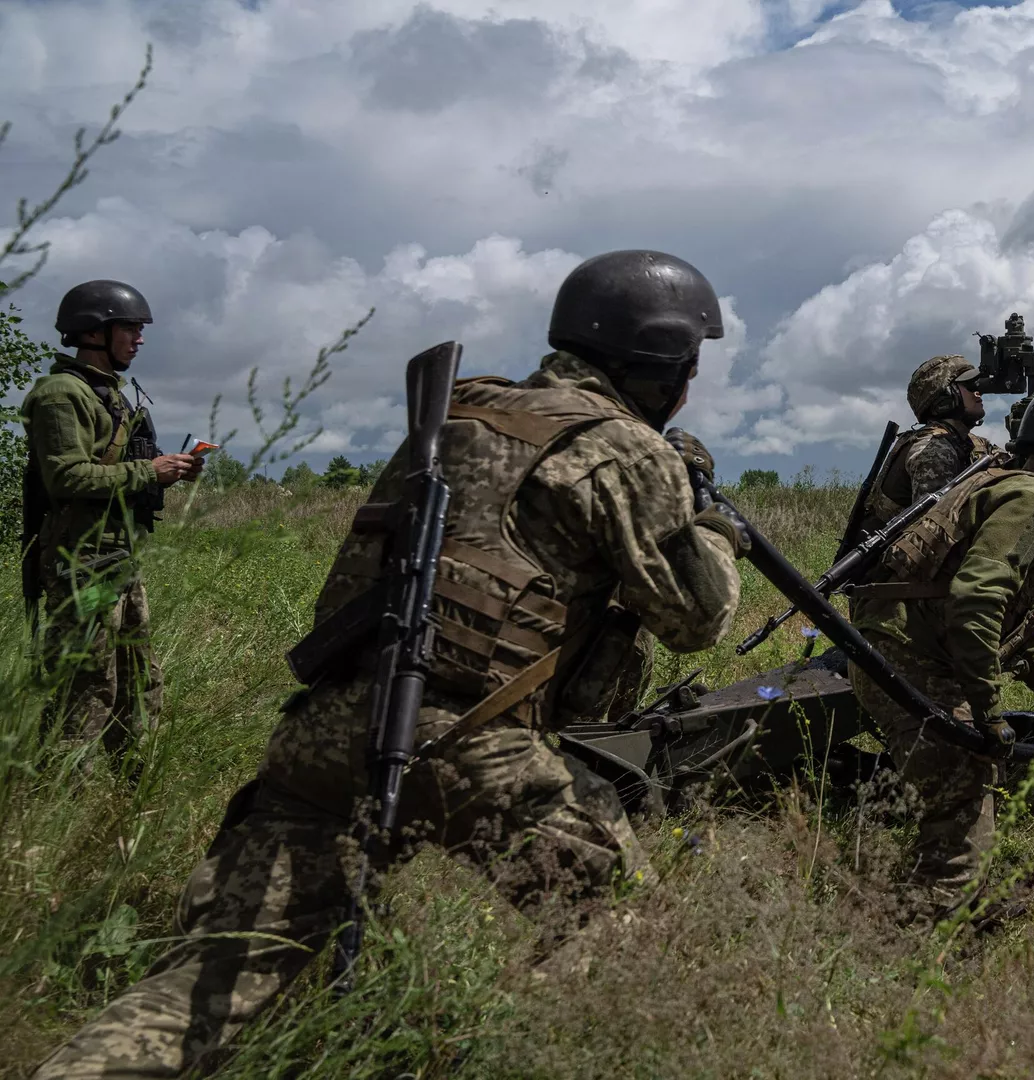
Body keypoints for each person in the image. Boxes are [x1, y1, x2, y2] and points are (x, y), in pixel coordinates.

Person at [33, 250, 746, 1079]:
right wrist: (713, 530)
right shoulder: (624, 449)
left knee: (215, 975)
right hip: (469, 742)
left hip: (321, 734)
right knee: (620, 925)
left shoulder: (453, 417)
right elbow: (698, 619)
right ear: (666, 365)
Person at [848, 386, 1034, 918]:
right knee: (963, 795)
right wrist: (986, 712)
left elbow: (1029, 642)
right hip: (914, 661)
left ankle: (951, 906)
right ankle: (928, 936)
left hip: (892, 652)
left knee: (959, 799)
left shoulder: (1009, 487)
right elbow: (977, 598)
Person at [21, 280, 203, 762]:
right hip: (82, 565)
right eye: (130, 328)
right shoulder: (63, 395)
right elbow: (66, 477)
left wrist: (168, 472)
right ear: (95, 331)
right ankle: (57, 803)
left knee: (139, 680)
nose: (139, 339)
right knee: (86, 686)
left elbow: (111, 473)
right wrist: (149, 470)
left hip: (119, 559)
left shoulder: (112, 395)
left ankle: (130, 791)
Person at [856, 354, 995, 534]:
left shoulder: (970, 443)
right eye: (969, 386)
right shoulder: (933, 450)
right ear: (945, 397)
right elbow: (932, 532)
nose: (978, 392)